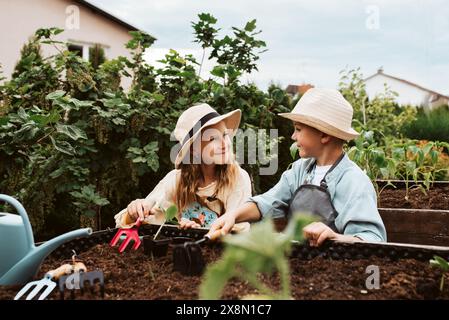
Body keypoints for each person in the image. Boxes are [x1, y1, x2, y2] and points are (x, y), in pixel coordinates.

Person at [207, 88, 387, 246]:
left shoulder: (354, 181)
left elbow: (374, 238)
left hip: (336, 269)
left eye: (298, 129)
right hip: (298, 263)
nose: (293, 136)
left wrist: (335, 237)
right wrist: (232, 216)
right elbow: (268, 202)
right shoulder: (301, 169)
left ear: (324, 135)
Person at [114, 103, 251, 231]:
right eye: (212, 139)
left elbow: (237, 230)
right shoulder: (176, 180)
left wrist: (197, 232)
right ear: (193, 150)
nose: (224, 144)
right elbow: (141, 217)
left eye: (225, 135)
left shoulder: (237, 178)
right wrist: (135, 211)